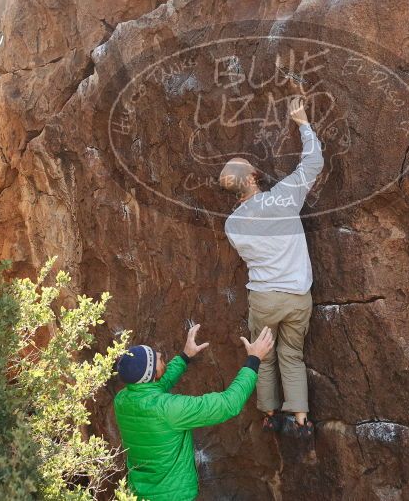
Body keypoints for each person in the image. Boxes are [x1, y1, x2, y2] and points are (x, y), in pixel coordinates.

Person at [218, 96, 324, 438]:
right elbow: (313, 164)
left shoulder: (231, 226)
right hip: (297, 295)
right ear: (252, 177)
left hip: (264, 298)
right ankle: (301, 419)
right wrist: (303, 123)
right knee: (292, 354)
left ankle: (268, 414)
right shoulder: (282, 200)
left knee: (262, 355)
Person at [114, 324, 274, 501]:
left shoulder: (122, 400)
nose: (162, 357)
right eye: (159, 360)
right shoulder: (169, 409)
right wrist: (254, 359)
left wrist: (185, 356)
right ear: (152, 373)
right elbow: (228, 404)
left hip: (138, 492)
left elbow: (156, 385)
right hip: (174, 496)